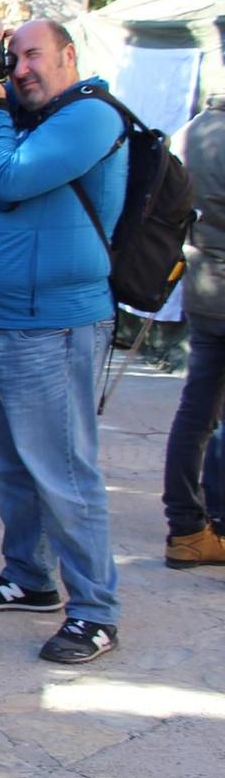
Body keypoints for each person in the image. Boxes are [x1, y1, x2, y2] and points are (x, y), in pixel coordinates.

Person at [0, 16, 127, 663]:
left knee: (64, 471)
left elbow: (11, 178)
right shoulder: (16, 109)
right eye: (12, 58)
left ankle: (96, 610)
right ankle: (30, 575)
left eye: (32, 55)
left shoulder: (92, 116)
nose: (20, 69)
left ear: (68, 55)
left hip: (58, 324)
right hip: (1, 318)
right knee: (6, 464)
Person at [159, 93, 225, 566]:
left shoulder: (193, 129)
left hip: (203, 285)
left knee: (198, 409)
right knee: (204, 412)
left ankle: (187, 523)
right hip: (212, 279)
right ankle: (208, 523)